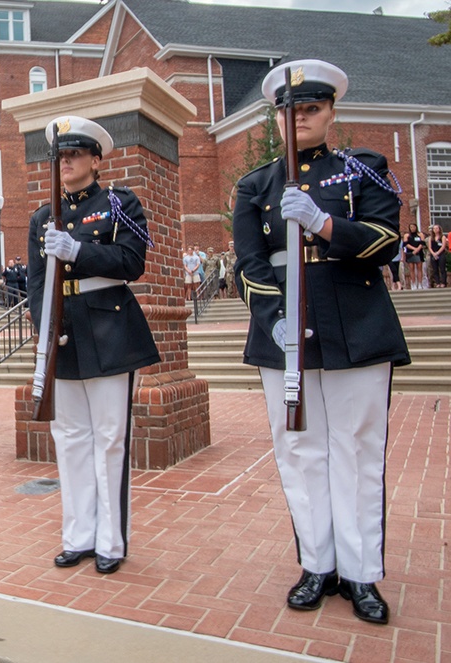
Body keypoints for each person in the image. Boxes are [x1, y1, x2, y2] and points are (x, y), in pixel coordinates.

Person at [233, 59, 409, 624]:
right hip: (287, 326)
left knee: (357, 449)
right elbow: (248, 264)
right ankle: (317, 563)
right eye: (290, 110)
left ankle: (361, 574)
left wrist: (324, 224)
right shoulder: (254, 184)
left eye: (311, 108)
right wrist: (272, 317)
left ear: (331, 111)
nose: (299, 118)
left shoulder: (364, 168)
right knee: (299, 449)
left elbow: (386, 240)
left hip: (355, 318)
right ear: (277, 118)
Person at [28, 115, 160, 574]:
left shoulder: (118, 204)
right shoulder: (44, 216)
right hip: (63, 332)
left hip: (109, 328)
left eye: (75, 154)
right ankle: (78, 534)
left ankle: (111, 540)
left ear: (96, 160)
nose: (66, 163)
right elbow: (36, 283)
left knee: (109, 439)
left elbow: (133, 260)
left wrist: (78, 252)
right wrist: (42, 335)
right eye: (61, 156)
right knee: (70, 439)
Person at [403, 223, 424, 289]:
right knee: (411, 269)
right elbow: (406, 244)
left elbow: (422, 243)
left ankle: (420, 283)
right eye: (411, 227)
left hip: (419, 252)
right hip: (410, 253)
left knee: (419, 268)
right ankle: (413, 283)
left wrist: (417, 249)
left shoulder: (420, 234)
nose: (412, 228)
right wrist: (414, 249)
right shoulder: (407, 235)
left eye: (414, 227)